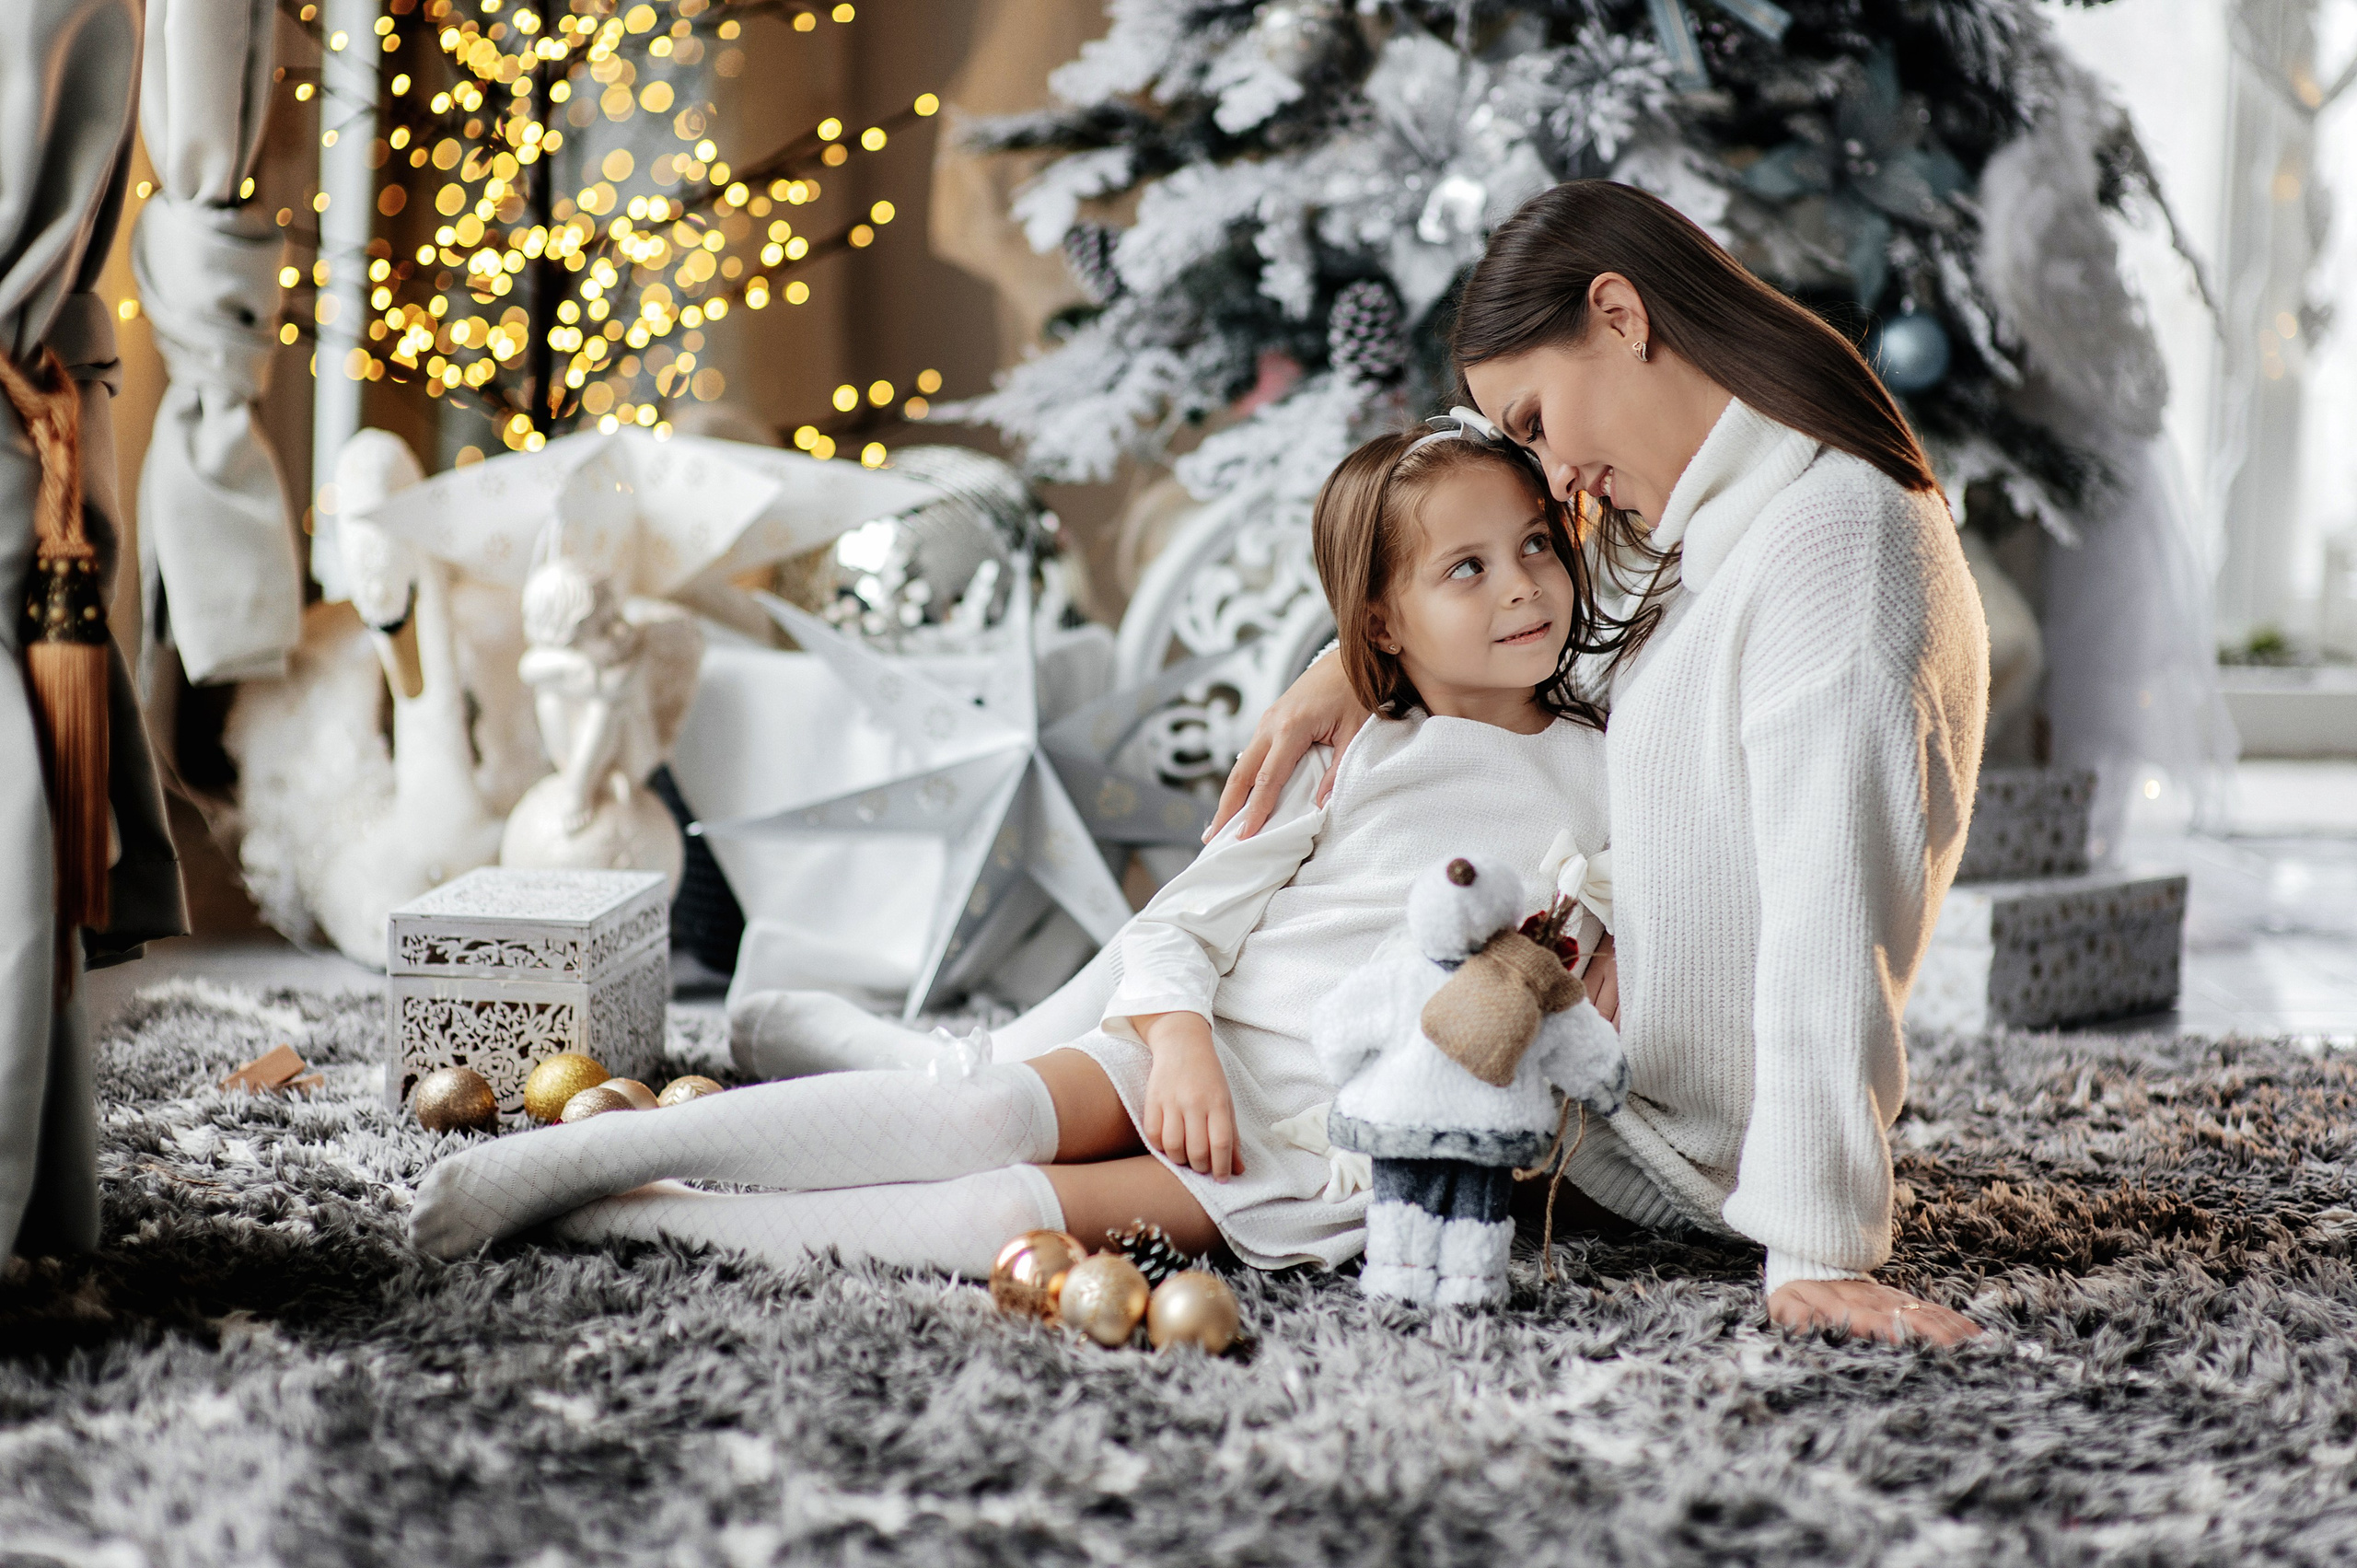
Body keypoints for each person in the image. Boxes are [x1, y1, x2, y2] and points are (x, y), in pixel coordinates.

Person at [409, 418, 1617, 1278]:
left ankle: (636, 1218)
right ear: (1382, 624)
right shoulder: (1353, 743)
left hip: (1320, 1148)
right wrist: (1183, 1042)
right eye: (1468, 567)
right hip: (1200, 1048)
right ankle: (597, 1154)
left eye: (1536, 546)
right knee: (977, 1112)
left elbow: (1581, 951)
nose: (1522, 586)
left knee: (999, 1209)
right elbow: (1186, 920)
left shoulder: (1601, 760)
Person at [1214, 181, 1989, 1345]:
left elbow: (1832, 918)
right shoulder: (1725, 514)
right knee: (1189, 1050)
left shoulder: (1839, 546)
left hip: (1651, 1139)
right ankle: (925, 1083)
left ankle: (924, 1122)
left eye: (1531, 420)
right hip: (1608, 1078)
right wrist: (1352, 661)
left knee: (1208, 1102)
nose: (1549, 474)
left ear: (1620, 316)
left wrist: (1818, 1243)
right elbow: (1525, 623)